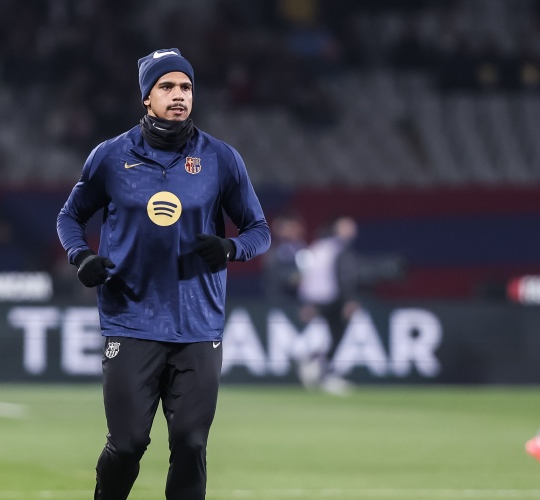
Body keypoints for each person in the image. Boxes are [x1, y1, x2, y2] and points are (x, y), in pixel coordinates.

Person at [56, 48, 271, 500]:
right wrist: (81, 256)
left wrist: (231, 247)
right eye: (167, 86)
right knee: (128, 444)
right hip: (130, 319)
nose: (179, 95)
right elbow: (69, 216)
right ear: (146, 97)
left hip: (198, 324)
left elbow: (259, 230)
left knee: (191, 444)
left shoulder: (221, 158)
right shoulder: (110, 156)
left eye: (186, 87)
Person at [296, 215, 360, 395]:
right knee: (334, 336)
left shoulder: (316, 248)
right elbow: (345, 276)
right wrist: (349, 300)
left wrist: (307, 301)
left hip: (316, 300)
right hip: (332, 299)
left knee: (327, 337)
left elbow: (304, 276)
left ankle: (316, 366)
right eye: (347, 227)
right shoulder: (338, 249)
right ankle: (324, 373)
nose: (352, 231)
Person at [261, 212, 307, 300]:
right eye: (291, 228)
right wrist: (293, 279)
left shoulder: (301, 247)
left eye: (296, 227)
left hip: (299, 297)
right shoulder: (273, 250)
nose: (296, 231)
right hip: (279, 299)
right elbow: (274, 275)